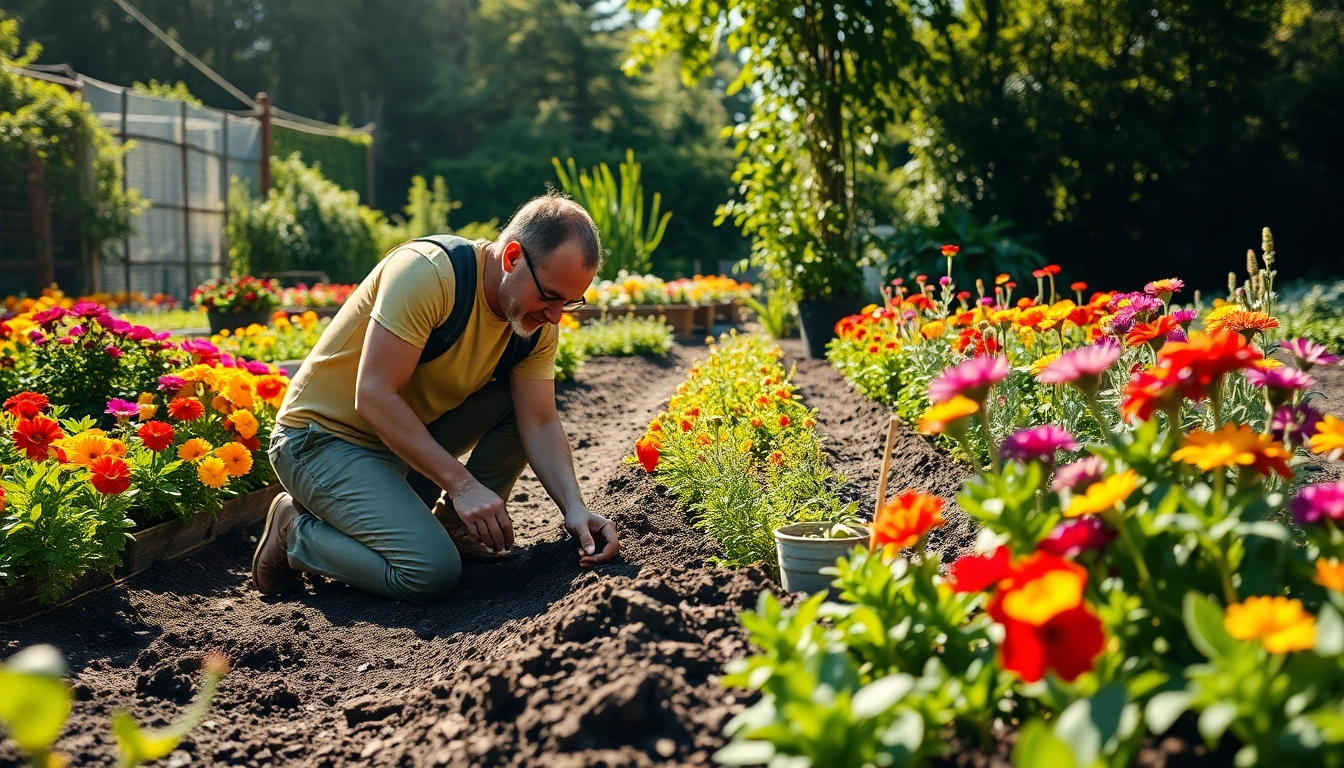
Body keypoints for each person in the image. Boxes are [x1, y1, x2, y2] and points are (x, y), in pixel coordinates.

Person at [250, 194, 620, 601]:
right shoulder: (430, 274)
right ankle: (292, 531)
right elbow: (373, 395)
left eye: (568, 302)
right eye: (550, 296)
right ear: (512, 257)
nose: (555, 316)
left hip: (399, 442)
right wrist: (464, 485)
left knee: (516, 406)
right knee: (430, 572)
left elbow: (540, 420)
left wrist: (575, 509)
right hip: (321, 440)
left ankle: (453, 529)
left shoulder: (534, 324)